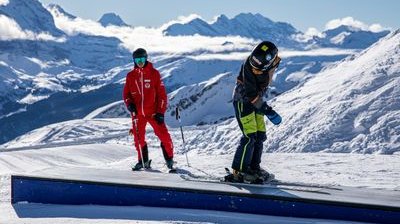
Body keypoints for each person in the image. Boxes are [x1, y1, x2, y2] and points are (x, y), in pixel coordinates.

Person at [230, 41, 282, 183]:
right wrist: (267, 110)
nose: (255, 69)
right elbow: (251, 93)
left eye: (259, 68)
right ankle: (239, 171)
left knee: (259, 136)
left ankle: (254, 167)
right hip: (244, 102)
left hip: (257, 102)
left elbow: (265, 81)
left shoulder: (272, 62)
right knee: (250, 136)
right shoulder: (248, 66)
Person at [123, 48, 175, 170]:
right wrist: (129, 104)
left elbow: (162, 95)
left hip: (153, 113)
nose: (140, 62)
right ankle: (142, 161)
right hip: (138, 114)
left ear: (146, 58)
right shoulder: (130, 76)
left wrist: (160, 113)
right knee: (138, 139)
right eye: (137, 59)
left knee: (165, 137)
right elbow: (126, 95)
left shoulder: (154, 74)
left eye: (142, 59)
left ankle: (169, 160)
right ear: (134, 60)